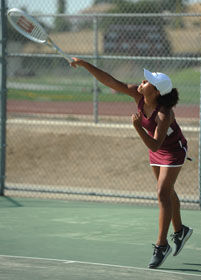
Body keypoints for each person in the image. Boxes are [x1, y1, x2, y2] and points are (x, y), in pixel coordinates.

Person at [70, 58, 193, 269]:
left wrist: (137, 127)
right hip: (156, 148)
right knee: (167, 191)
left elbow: (155, 145)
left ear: (155, 92)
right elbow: (111, 82)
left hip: (172, 150)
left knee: (163, 192)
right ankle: (180, 230)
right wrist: (85, 64)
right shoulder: (138, 95)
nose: (142, 82)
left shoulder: (164, 114)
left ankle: (161, 245)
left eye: (147, 82)